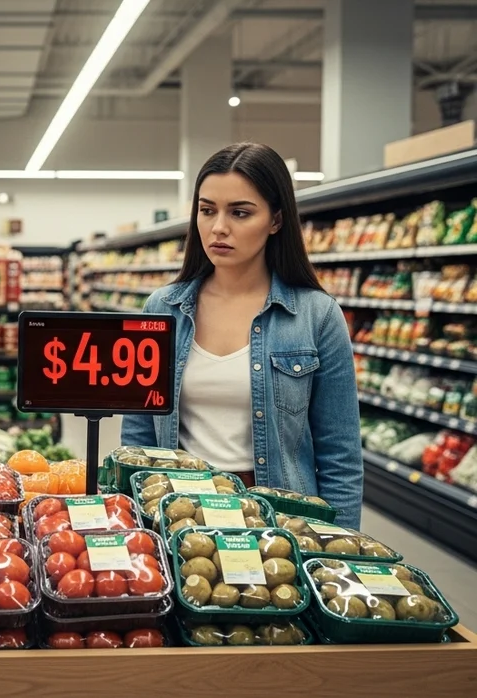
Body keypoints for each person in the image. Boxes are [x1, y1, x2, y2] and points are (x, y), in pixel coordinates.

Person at [120, 142, 364, 528]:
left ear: (276, 220)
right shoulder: (163, 309)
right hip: (179, 514)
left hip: (282, 522)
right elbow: (138, 437)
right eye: (207, 210)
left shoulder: (316, 316)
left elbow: (340, 457)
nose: (219, 227)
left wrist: (339, 545)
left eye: (240, 212)